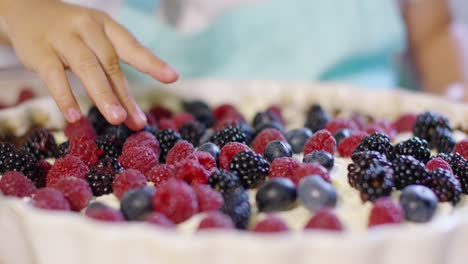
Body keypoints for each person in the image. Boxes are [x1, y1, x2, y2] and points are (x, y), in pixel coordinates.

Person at [0, 0, 466, 131]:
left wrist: (454, 95)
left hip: (363, 132)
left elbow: (433, 30)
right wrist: (20, 11)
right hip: (148, 125)